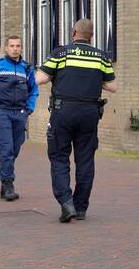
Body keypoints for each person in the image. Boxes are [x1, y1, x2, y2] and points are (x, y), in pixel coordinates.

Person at [36, 18, 118, 222]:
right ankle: (80, 207)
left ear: (74, 32)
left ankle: (66, 203)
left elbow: (40, 79)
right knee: (85, 159)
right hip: (90, 113)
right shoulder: (101, 56)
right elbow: (112, 86)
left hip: (63, 111)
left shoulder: (61, 53)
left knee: (59, 157)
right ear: (92, 36)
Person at [0, 36, 39, 201]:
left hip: (20, 114)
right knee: (6, 149)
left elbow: (34, 90)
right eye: (12, 46)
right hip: (1, 113)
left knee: (15, 149)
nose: (15, 49)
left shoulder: (27, 69)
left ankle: (4, 182)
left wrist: (29, 109)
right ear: (6, 48)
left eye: (18, 46)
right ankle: (8, 183)